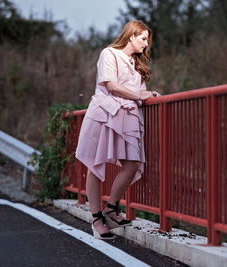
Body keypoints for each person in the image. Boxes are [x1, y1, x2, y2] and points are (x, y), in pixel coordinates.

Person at [75, 20, 159, 239]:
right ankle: (96, 218)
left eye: (147, 40)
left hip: (127, 118)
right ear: (131, 36)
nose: (145, 44)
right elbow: (110, 85)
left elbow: (139, 94)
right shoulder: (109, 54)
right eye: (143, 38)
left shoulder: (137, 64)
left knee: (131, 165)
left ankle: (111, 209)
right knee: (96, 164)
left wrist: (149, 96)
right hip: (105, 115)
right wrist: (141, 95)